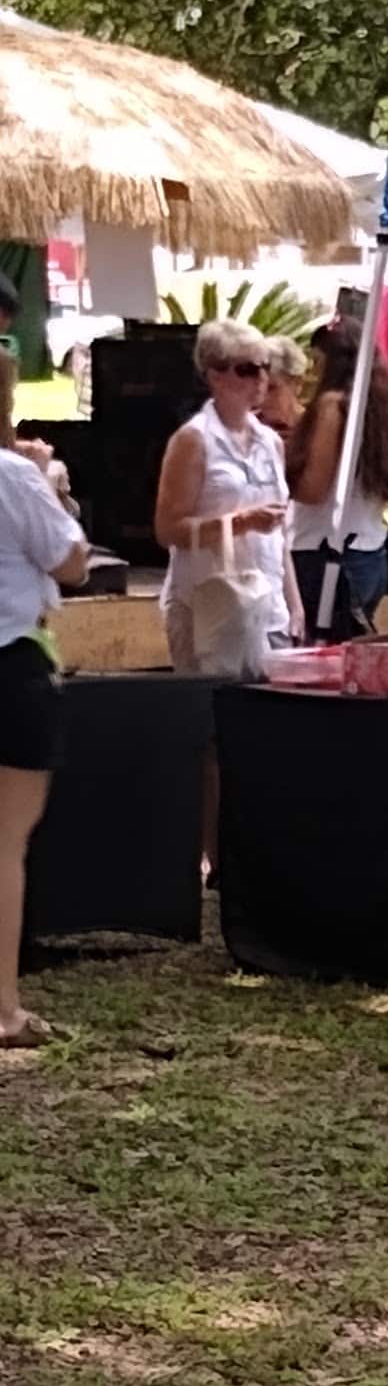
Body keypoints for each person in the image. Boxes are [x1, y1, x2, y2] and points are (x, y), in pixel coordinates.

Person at [0, 362, 89, 1048]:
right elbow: (72, 563)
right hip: (13, 663)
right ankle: (4, 1010)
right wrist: (51, 484)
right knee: (5, 845)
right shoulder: (16, 476)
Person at [155, 319, 301, 667]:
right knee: (213, 713)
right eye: (247, 369)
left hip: (268, 607)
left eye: (265, 367)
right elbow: (167, 530)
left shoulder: (270, 442)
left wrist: (294, 602)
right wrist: (240, 522)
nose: (261, 378)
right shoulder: (193, 440)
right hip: (210, 607)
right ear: (215, 375)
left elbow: (279, 536)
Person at [286, 318, 388, 638]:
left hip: (326, 552)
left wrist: (275, 468)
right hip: (369, 549)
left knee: (322, 649)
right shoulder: (379, 406)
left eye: (315, 363)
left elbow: (313, 490)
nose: (309, 373)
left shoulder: (333, 406)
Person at [259, 336, 308, 434]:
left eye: (271, 388)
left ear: (297, 382)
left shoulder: (317, 430)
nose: (262, 398)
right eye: (259, 387)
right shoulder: (245, 427)